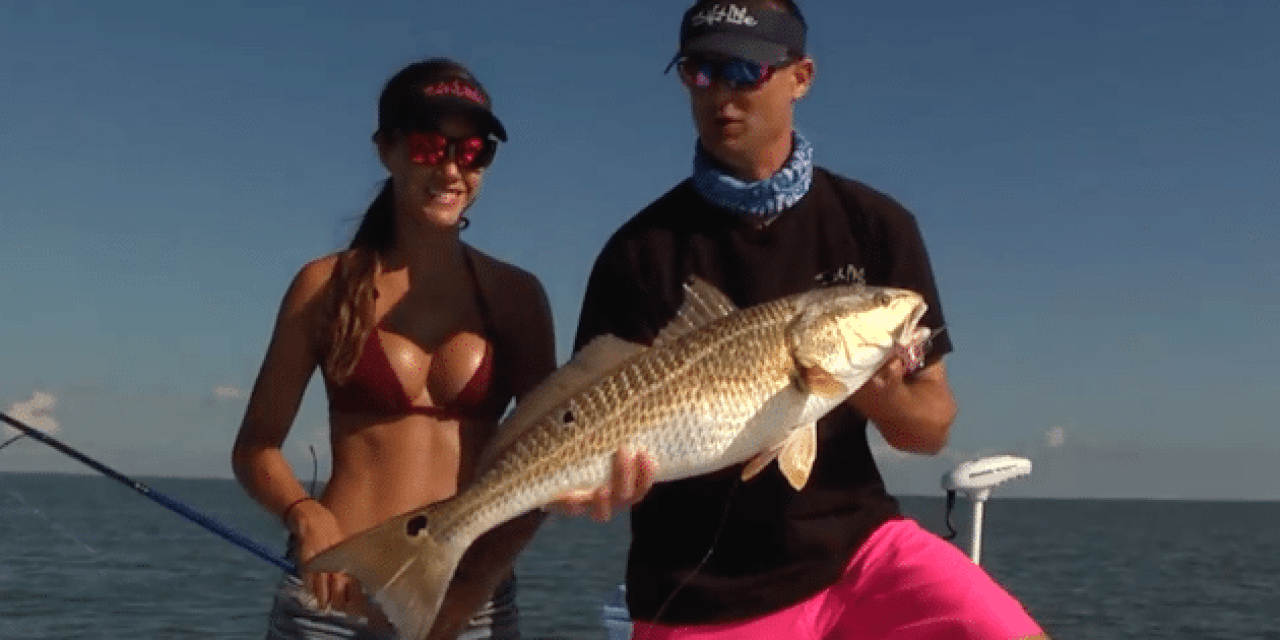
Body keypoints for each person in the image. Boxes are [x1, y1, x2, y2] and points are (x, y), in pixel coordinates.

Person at [573, 2, 1049, 638]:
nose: (721, 94)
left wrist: (883, 398)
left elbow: (932, 425)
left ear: (801, 76)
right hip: (703, 587)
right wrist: (585, 483)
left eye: (745, 70)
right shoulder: (638, 252)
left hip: (860, 548)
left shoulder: (876, 225)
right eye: (700, 71)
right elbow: (582, 409)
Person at [232, 58, 557, 640]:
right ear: (387, 149)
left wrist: (473, 584)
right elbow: (256, 448)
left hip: (467, 600)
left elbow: (549, 461)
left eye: (474, 150)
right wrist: (305, 516)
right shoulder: (324, 287)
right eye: (431, 147)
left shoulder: (517, 297)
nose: (453, 168)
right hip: (338, 596)